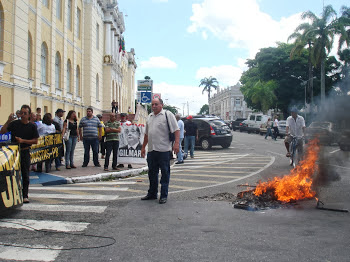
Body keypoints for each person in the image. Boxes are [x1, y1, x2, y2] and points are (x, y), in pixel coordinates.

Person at [141, 98, 180, 204]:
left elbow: (176, 130)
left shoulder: (168, 115)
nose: (154, 106)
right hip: (152, 150)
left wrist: (176, 144)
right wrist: (143, 147)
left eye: (156, 104)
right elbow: (147, 134)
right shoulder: (149, 116)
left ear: (161, 105)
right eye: (152, 104)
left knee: (165, 173)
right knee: (152, 173)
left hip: (164, 150)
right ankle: (152, 193)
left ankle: (163, 195)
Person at [1, 105, 39, 204]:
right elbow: (3, 131)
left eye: (25, 113)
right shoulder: (14, 124)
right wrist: (8, 120)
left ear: (29, 115)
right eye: (21, 113)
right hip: (13, 153)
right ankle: (13, 194)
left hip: (25, 151)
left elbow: (35, 141)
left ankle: (25, 195)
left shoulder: (32, 126)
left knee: (25, 174)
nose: (22, 115)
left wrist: (23, 140)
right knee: (11, 174)